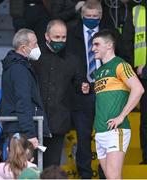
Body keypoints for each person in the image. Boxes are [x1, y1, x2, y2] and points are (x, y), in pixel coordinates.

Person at [66, 0, 128, 178]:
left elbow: (124, 57)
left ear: (101, 16)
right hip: (81, 92)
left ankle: (106, 175)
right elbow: (67, 64)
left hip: (107, 92)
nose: (92, 19)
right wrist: (78, 83)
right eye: (88, 16)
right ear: (81, 15)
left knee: (108, 137)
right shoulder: (71, 34)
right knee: (84, 137)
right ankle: (85, 175)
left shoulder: (111, 34)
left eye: (95, 17)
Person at [31, 19, 89, 168]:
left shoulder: (73, 60)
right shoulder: (33, 57)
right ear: (46, 36)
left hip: (58, 122)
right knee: (31, 166)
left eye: (63, 37)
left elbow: (79, 82)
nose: (60, 40)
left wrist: (83, 86)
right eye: (57, 37)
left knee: (53, 166)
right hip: (34, 121)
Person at [91, 29, 144, 179]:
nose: (93, 48)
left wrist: (122, 116)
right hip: (100, 130)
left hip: (116, 130)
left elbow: (138, 89)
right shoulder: (98, 71)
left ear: (109, 45)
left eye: (96, 44)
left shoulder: (120, 64)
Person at [0, 28, 51, 150]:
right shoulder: (19, 69)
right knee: (22, 168)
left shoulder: (15, 66)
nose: (38, 47)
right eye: (35, 44)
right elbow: (23, 101)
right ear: (23, 48)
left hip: (17, 128)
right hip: (20, 130)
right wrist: (30, 134)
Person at [123, 0, 147, 164]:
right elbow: (126, 42)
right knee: (145, 120)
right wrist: (134, 66)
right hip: (143, 74)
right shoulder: (136, 10)